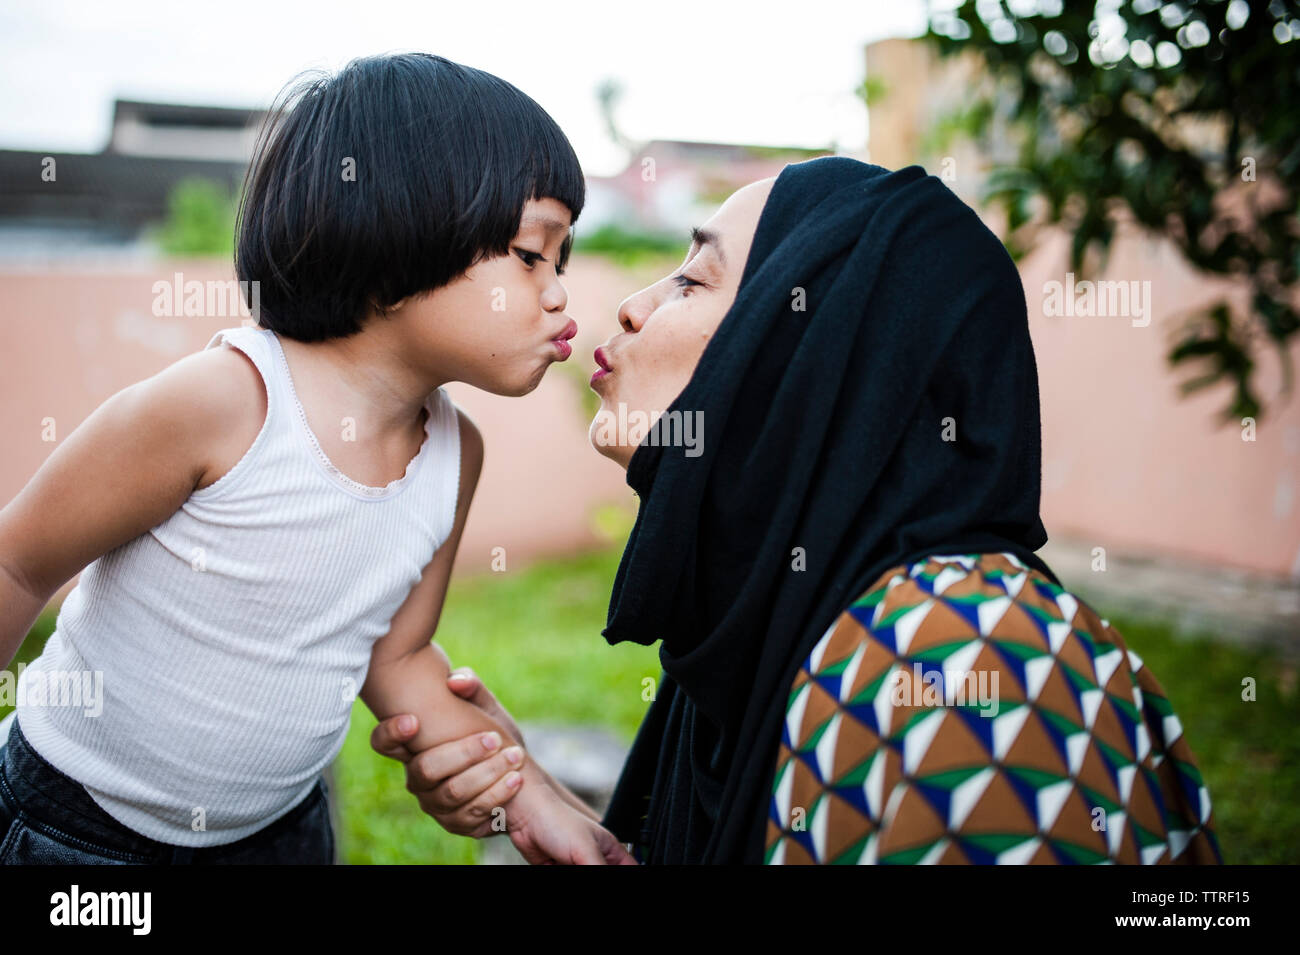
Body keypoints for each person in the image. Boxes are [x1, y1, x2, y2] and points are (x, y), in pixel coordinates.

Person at [375, 157, 1222, 865]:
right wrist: (537, 793)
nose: (633, 304)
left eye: (694, 278)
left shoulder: (963, 661)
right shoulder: (777, 617)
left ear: (812, 354)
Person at [0, 53, 630, 865]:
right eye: (529, 253)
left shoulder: (453, 453)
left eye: (564, 260)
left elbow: (395, 653)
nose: (558, 293)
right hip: (77, 830)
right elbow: (19, 562)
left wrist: (530, 791)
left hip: (281, 833)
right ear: (397, 240)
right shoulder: (222, 404)